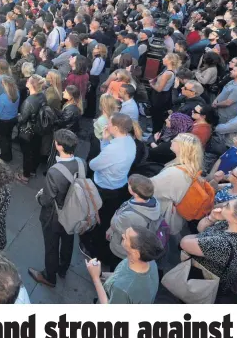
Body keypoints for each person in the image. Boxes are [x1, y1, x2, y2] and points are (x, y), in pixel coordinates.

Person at [180, 199, 237, 296]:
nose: (223, 205)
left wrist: (199, 238)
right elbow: (200, 229)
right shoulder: (235, 227)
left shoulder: (223, 244)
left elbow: (184, 243)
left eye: (227, 206)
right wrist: (212, 218)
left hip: (204, 281)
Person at [29, 130, 81, 288]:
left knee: (51, 245)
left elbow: (46, 199)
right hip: (73, 212)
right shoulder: (81, 162)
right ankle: (63, 268)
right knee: (68, 240)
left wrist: (39, 196)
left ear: (58, 146)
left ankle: (49, 276)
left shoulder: (54, 172)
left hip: (55, 216)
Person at [81, 113, 136, 261]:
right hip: (118, 184)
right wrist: (105, 140)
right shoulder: (129, 141)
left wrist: (104, 144)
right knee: (106, 215)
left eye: (110, 123)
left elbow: (94, 164)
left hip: (104, 187)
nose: (107, 125)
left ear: (116, 128)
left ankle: (92, 246)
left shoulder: (115, 149)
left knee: (97, 215)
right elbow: (107, 154)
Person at [87, 226, 163, 304]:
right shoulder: (150, 263)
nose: (122, 235)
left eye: (126, 237)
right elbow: (119, 274)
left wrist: (95, 278)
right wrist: (101, 275)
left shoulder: (123, 289)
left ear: (136, 253)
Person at [151, 132, 205, 236]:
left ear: (182, 147)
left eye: (175, 140)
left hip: (165, 214)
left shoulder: (174, 172)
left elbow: (151, 189)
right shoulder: (190, 165)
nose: (171, 141)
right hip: (178, 213)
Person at [106, 174, 162, 266]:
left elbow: (115, 225)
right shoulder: (153, 202)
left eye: (129, 185)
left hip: (122, 248)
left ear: (134, 192)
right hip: (138, 241)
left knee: (116, 264)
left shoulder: (130, 216)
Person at [16, 75, 46, 184]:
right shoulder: (42, 95)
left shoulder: (28, 101)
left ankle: (25, 176)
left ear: (32, 85)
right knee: (36, 150)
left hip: (27, 132)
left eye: (28, 80)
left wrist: (18, 116)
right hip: (38, 129)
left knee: (27, 154)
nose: (26, 80)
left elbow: (22, 119)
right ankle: (32, 171)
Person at [0, 76, 20, 163]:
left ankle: (6, 156)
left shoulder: (2, 98)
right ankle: (8, 152)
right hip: (13, 118)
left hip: (4, 121)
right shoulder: (17, 93)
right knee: (8, 136)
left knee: (3, 139)